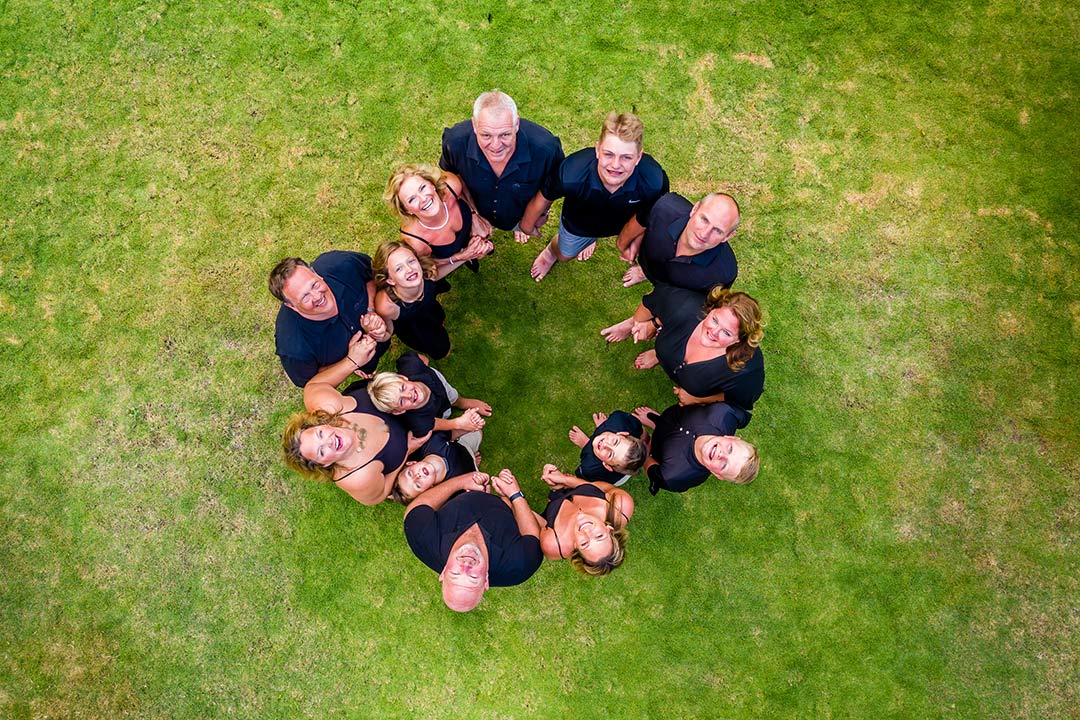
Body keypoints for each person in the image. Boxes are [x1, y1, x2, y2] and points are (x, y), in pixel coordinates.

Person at [522, 112, 669, 281]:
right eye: (609, 154)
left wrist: (630, 240)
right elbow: (544, 197)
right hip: (579, 224)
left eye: (626, 157)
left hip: (624, 224)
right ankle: (551, 251)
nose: (615, 165)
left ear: (638, 157)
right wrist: (527, 225)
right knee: (564, 255)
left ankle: (591, 240)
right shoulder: (571, 173)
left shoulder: (655, 181)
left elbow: (651, 217)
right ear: (597, 150)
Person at [281, 342, 429, 505]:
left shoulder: (328, 406)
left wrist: (352, 361)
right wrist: (407, 451)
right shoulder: (358, 478)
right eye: (321, 451)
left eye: (320, 434)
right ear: (324, 464)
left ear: (320, 424)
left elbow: (313, 386)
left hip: (399, 398)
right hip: (413, 431)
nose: (328, 441)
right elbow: (378, 496)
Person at [604, 285, 765, 413]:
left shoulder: (746, 369)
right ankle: (659, 356)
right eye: (715, 320)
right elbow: (653, 299)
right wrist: (639, 324)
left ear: (739, 339)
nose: (713, 332)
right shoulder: (684, 305)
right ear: (711, 310)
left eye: (727, 333)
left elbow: (739, 401)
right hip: (667, 352)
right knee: (665, 351)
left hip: (693, 387)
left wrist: (697, 399)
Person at [404, 469, 542, 612]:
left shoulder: (423, 539)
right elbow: (532, 535)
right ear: (486, 580)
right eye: (473, 577)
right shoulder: (518, 566)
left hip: (462, 493)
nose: (466, 566)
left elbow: (419, 505)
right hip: (505, 508)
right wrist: (513, 496)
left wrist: (462, 481)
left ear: (443, 572)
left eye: (455, 574)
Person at [439, 89, 564, 242]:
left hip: (518, 213)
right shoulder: (454, 142)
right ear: (474, 125)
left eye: (505, 134)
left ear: (516, 124)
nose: (495, 146)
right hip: (476, 207)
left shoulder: (547, 150)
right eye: (486, 135)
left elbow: (552, 187)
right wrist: (473, 215)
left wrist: (535, 216)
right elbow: (450, 177)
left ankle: (516, 227)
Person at [269, 252, 391, 387]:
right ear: (291, 306)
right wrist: (351, 362)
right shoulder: (294, 348)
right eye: (305, 297)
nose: (317, 297)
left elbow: (371, 275)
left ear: (316, 274)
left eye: (314, 285)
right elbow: (311, 382)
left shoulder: (342, 263)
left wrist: (371, 309)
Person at [617, 191, 740, 291]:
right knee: (649, 267)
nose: (704, 234)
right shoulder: (664, 207)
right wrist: (622, 244)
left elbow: (705, 304)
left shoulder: (723, 274)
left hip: (673, 290)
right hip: (648, 262)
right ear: (695, 209)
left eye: (717, 230)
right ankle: (642, 272)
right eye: (704, 220)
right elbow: (641, 219)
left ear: (727, 236)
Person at [385, 164, 493, 276]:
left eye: (422, 188)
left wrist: (475, 216)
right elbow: (425, 266)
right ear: (407, 210)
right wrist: (460, 257)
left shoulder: (451, 185)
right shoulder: (415, 242)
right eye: (412, 199)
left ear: (432, 185)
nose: (423, 199)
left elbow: (463, 185)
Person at [632, 403, 758, 495]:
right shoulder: (724, 413)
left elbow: (653, 471)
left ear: (717, 474)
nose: (722, 455)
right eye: (730, 449)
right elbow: (742, 415)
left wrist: (645, 448)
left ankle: (653, 433)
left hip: (658, 446)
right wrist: (694, 399)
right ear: (732, 438)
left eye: (724, 465)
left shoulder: (675, 476)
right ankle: (656, 421)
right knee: (665, 421)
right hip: (675, 414)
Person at [537, 465, 635, 576]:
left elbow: (533, 522)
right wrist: (564, 479)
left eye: (584, 544)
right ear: (609, 529)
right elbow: (595, 487)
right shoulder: (620, 505)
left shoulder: (555, 545)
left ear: (576, 547)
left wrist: (517, 495)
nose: (587, 532)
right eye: (599, 536)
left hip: (553, 504)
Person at [366, 352, 491, 439]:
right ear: (399, 411)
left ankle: (462, 402)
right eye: (401, 401)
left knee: (451, 394)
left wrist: (422, 360)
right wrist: (457, 423)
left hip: (436, 381)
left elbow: (410, 357)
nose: (408, 395)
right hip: (437, 412)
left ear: (403, 377)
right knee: (444, 416)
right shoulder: (418, 422)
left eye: (403, 388)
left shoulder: (411, 365)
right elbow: (433, 423)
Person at [372, 241, 453, 359]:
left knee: (438, 318)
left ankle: (439, 323)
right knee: (441, 350)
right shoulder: (387, 306)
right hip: (414, 327)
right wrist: (380, 335)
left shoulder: (427, 272)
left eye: (411, 261)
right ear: (390, 280)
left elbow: (438, 275)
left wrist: (465, 256)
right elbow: (388, 333)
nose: (409, 269)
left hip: (430, 308)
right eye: (399, 268)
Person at [392, 430, 482, 504]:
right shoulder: (451, 491)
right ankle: (473, 461)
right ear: (429, 490)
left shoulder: (432, 442)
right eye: (418, 485)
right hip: (471, 472)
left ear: (411, 463)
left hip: (462, 445)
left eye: (410, 474)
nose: (417, 476)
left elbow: (452, 433)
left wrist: (467, 426)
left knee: (478, 432)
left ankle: (472, 456)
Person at [568, 410, 649, 486]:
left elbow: (592, 485)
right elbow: (642, 432)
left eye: (610, 454)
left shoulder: (589, 467)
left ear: (606, 465)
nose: (605, 445)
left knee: (589, 450)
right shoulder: (619, 419)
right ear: (622, 434)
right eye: (615, 442)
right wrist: (602, 428)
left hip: (617, 478)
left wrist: (586, 445)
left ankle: (587, 443)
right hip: (622, 469)